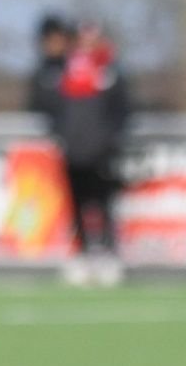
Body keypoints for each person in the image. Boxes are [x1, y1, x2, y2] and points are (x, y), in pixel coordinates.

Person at [46, 20, 131, 285]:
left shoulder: (111, 73)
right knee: (77, 206)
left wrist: (109, 140)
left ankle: (108, 255)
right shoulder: (65, 73)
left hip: (102, 152)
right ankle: (82, 256)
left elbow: (122, 111)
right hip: (73, 151)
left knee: (104, 204)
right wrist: (63, 137)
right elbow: (53, 109)